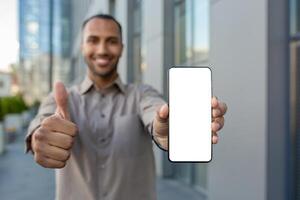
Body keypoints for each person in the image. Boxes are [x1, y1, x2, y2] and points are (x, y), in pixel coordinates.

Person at [25, 14, 227, 200]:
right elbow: (41, 125)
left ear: (121, 47)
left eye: (111, 41)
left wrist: (166, 129)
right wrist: (39, 139)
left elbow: (156, 113)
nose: (102, 50)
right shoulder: (60, 98)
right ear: (82, 47)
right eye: (93, 40)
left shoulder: (142, 94)